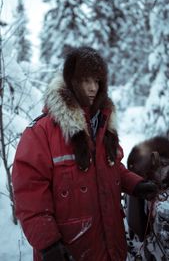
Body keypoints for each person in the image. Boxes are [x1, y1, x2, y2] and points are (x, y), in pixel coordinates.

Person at [12, 46, 158, 261]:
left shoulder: (103, 125)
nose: (92, 88)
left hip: (111, 247)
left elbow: (111, 166)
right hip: (70, 250)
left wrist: (135, 184)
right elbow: (29, 193)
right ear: (71, 82)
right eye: (85, 81)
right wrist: (48, 243)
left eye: (97, 81)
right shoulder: (42, 132)